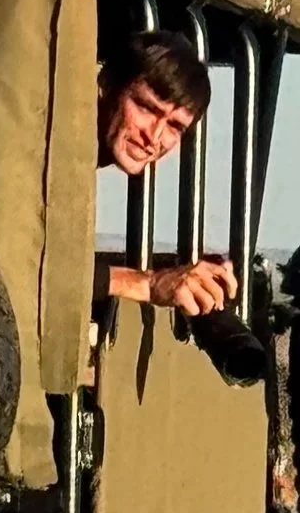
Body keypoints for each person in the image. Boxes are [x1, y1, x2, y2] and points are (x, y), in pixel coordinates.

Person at [99, 30, 235, 317]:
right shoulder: (51, 149)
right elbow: (32, 265)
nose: (154, 136)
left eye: (175, 126)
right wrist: (146, 285)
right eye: (146, 107)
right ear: (106, 84)